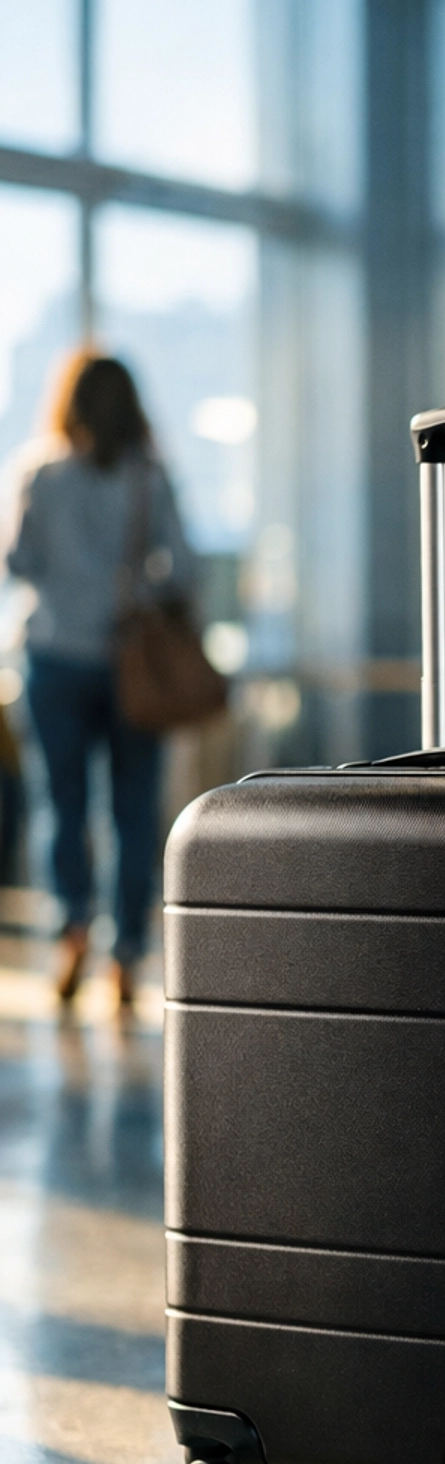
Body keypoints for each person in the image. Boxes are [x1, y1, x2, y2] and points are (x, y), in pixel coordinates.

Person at [4, 352, 196, 1012]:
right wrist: (136, 588)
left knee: (61, 805)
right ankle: (127, 956)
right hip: (129, 664)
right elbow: (182, 568)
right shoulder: (150, 476)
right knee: (133, 811)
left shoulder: (40, 472)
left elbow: (17, 561)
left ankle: (72, 930)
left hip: (55, 657)